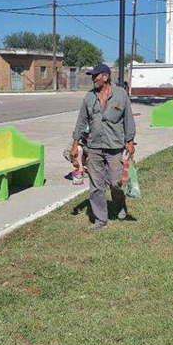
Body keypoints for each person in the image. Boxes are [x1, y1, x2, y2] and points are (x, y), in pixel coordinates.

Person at [71, 63, 136, 230]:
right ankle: (101, 219)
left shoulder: (121, 95)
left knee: (116, 182)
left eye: (96, 76)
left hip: (114, 146)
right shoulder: (89, 97)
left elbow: (128, 119)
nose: (93, 79)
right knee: (96, 184)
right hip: (94, 146)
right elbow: (81, 122)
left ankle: (120, 204)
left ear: (105, 77)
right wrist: (75, 143)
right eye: (92, 76)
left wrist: (130, 141)